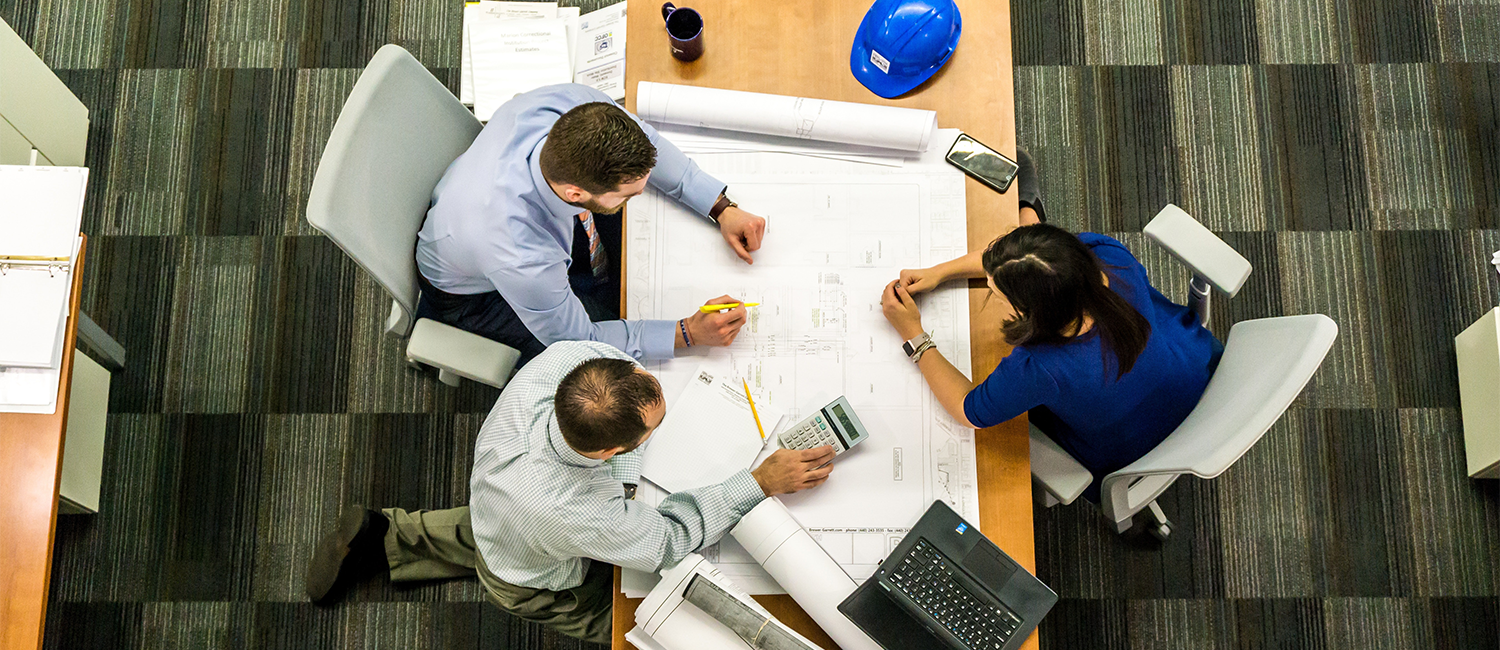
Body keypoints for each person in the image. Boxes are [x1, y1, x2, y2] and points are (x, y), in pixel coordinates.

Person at [305, 341, 835, 643]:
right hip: (534, 575)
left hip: (501, 501)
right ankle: (396, 543)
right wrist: (758, 481)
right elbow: (668, 542)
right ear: (608, 453)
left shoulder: (568, 362)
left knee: (494, 528)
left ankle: (387, 535)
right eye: (653, 429)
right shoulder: (572, 511)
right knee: (630, 616)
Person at [878, 159, 1221, 501]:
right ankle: (1031, 212)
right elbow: (1023, 260)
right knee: (1022, 168)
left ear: (1029, 312)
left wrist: (914, 335)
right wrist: (940, 272)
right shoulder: (1106, 256)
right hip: (1193, 371)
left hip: (1133, 447)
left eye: (996, 293)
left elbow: (970, 411)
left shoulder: (1040, 368)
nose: (990, 292)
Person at [416, 83, 768, 365]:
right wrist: (687, 333)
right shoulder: (520, 253)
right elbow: (579, 341)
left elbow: (650, 143)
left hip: (475, 207)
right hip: (474, 295)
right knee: (608, 365)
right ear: (575, 193)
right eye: (629, 194)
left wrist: (720, 206)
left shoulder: (573, 104)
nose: (642, 193)